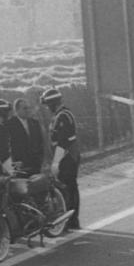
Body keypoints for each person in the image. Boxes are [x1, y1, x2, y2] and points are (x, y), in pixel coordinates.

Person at [41, 87, 80, 230]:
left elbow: (63, 142)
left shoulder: (63, 116)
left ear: (52, 104)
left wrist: (56, 163)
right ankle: (70, 220)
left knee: (68, 188)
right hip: (65, 157)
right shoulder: (61, 115)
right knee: (68, 188)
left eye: (48, 105)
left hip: (67, 157)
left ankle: (71, 220)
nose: (47, 108)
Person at [7, 97, 45, 174]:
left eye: (28, 108)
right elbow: (8, 146)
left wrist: (39, 160)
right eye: (24, 108)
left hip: (35, 165)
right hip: (19, 167)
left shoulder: (35, 123)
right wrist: (13, 162)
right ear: (16, 110)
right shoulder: (9, 125)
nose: (28, 110)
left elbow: (40, 143)